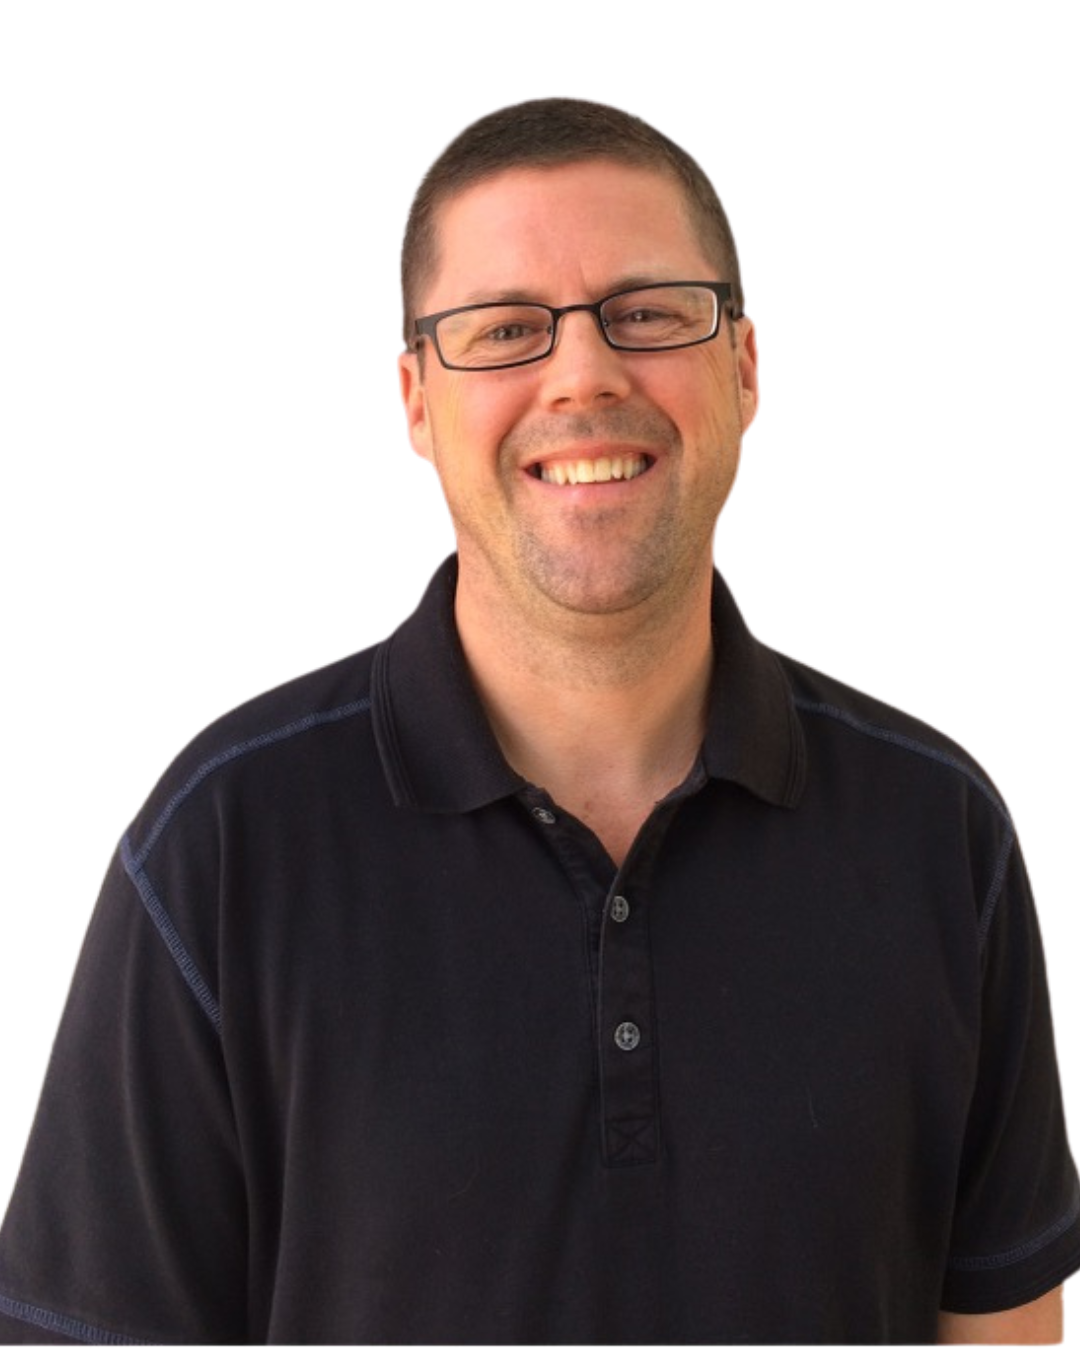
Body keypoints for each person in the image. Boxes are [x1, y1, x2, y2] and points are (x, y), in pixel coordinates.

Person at [0, 96, 1076, 1346]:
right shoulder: (224, 846)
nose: (583, 374)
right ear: (416, 399)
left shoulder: (936, 834)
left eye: (649, 313)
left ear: (743, 368)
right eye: (507, 329)